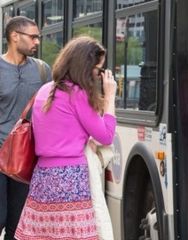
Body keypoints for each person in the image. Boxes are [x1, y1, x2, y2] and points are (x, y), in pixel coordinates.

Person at [15, 36, 117, 240]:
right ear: (85, 67)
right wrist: (110, 97)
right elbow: (105, 136)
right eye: (98, 71)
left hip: (43, 176)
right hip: (71, 178)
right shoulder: (77, 94)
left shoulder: (46, 89)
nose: (98, 77)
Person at [0, 16, 51, 240]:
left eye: (38, 37)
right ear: (14, 36)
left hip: (26, 158)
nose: (37, 42)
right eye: (33, 37)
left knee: (18, 222)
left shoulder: (42, 71)